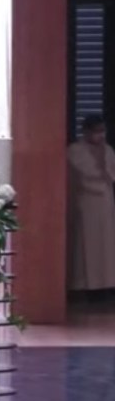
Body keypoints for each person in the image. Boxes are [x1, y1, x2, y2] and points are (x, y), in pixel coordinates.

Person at [67, 114, 115, 297]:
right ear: (86, 132)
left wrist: (102, 160)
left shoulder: (108, 150)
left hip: (105, 202)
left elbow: (110, 174)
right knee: (87, 244)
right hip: (86, 202)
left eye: (102, 131)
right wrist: (97, 164)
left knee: (106, 244)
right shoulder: (75, 150)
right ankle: (85, 286)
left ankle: (107, 283)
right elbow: (84, 174)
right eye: (96, 131)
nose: (100, 135)